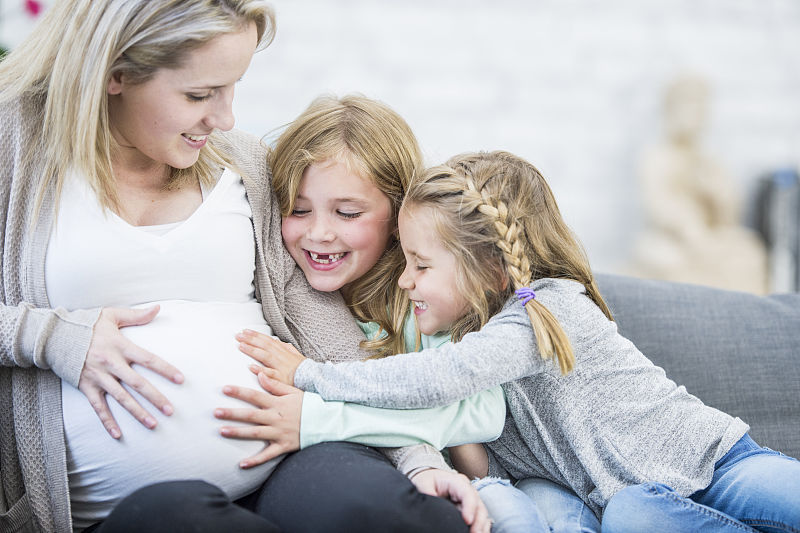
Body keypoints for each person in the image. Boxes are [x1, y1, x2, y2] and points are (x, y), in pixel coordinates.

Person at [0, 2, 481, 532]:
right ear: (115, 74)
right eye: (199, 95)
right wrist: (47, 336)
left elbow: (321, 329)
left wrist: (419, 461)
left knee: (390, 514)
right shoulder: (14, 147)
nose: (225, 118)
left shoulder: (241, 161)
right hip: (128, 510)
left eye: (232, 88)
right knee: (178, 518)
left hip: (291, 460)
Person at [241, 150, 800, 532]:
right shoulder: (461, 340)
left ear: (488, 267)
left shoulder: (542, 308)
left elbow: (436, 381)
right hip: (642, 504)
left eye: (420, 264)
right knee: (633, 514)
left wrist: (309, 375)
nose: (406, 279)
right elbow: (455, 428)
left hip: (718, 459)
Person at [222, 94, 543, 532]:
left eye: (347, 212)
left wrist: (315, 418)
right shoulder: (281, 287)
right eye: (298, 209)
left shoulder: (427, 299)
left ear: (397, 215)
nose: (319, 232)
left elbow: (469, 430)